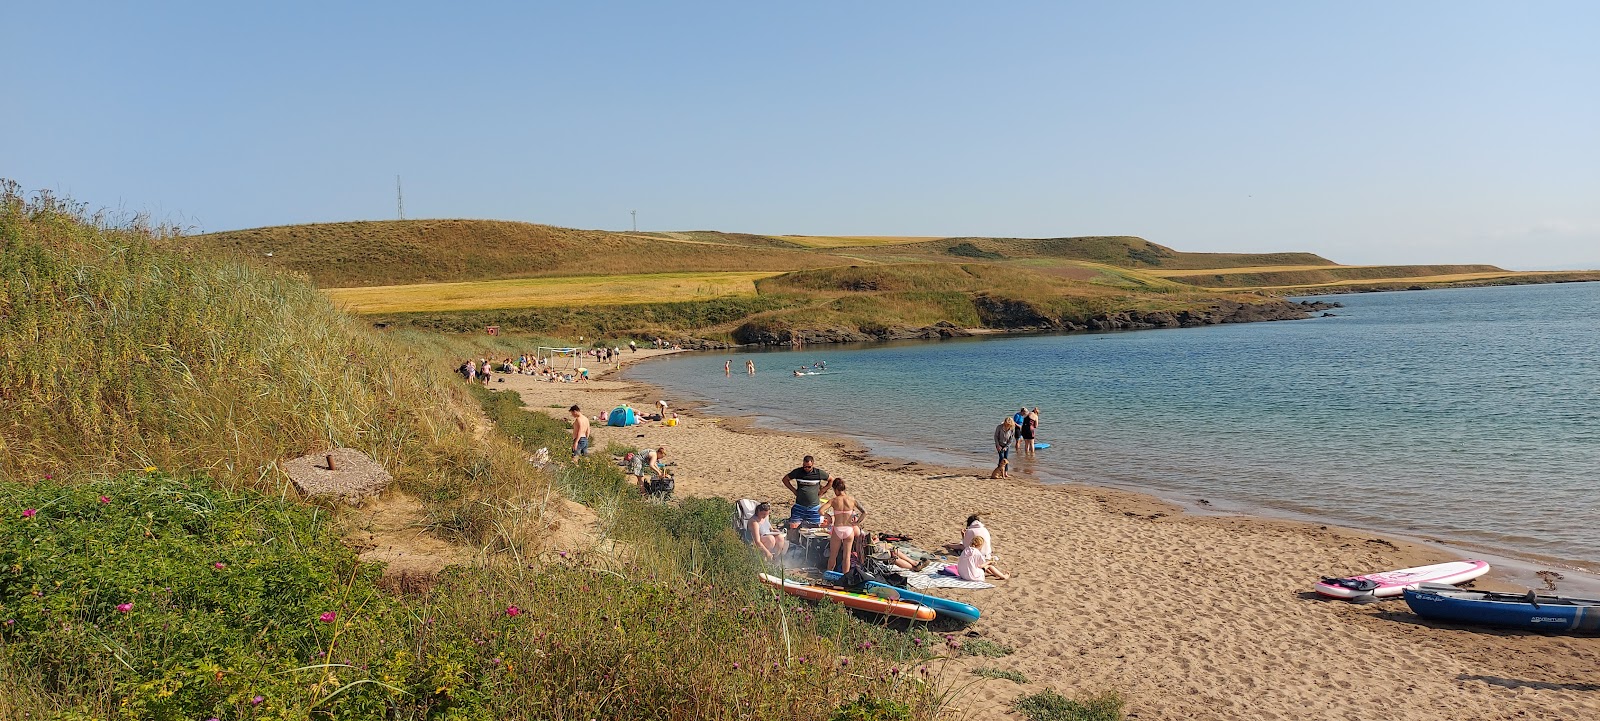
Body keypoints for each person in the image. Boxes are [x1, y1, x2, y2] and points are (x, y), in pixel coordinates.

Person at [780, 455, 832, 528]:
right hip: (799, 506)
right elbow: (785, 479)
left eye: (809, 467)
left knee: (815, 528)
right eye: (805, 466)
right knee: (793, 527)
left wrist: (822, 491)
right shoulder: (798, 472)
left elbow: (831, 480)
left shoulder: (818, 473)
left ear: (813, 464)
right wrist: (794, 490)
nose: (806, 468)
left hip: (814, 507)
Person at [822, 478, 860, 574]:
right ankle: (845, 578)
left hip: (838, 529)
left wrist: (829, 517)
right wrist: (857, 522)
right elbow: (864, 512)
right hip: (849, 529)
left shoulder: (834, 500)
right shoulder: (852, 500)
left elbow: (820, 511)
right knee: (846, 557)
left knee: (833, 555)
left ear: (835, 489)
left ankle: (829, 574)